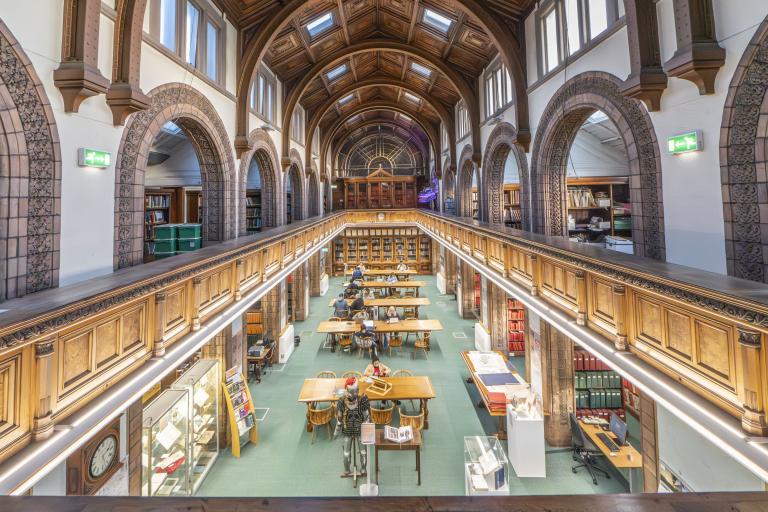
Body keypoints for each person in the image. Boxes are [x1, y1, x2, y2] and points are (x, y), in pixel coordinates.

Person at [334, 377, 370, 477]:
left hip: (360, 429)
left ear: (357, 390)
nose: (353, 394)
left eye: (355, 391)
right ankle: (347, 470)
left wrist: (368, 432)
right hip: (347, 430)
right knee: (346, 453)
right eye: (351, 391)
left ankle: (363, 469)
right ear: (347, 390)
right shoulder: (342, 401)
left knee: (363, 452)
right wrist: (337, 429)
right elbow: (340, 418)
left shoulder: (362, 400)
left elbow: (366, 417)